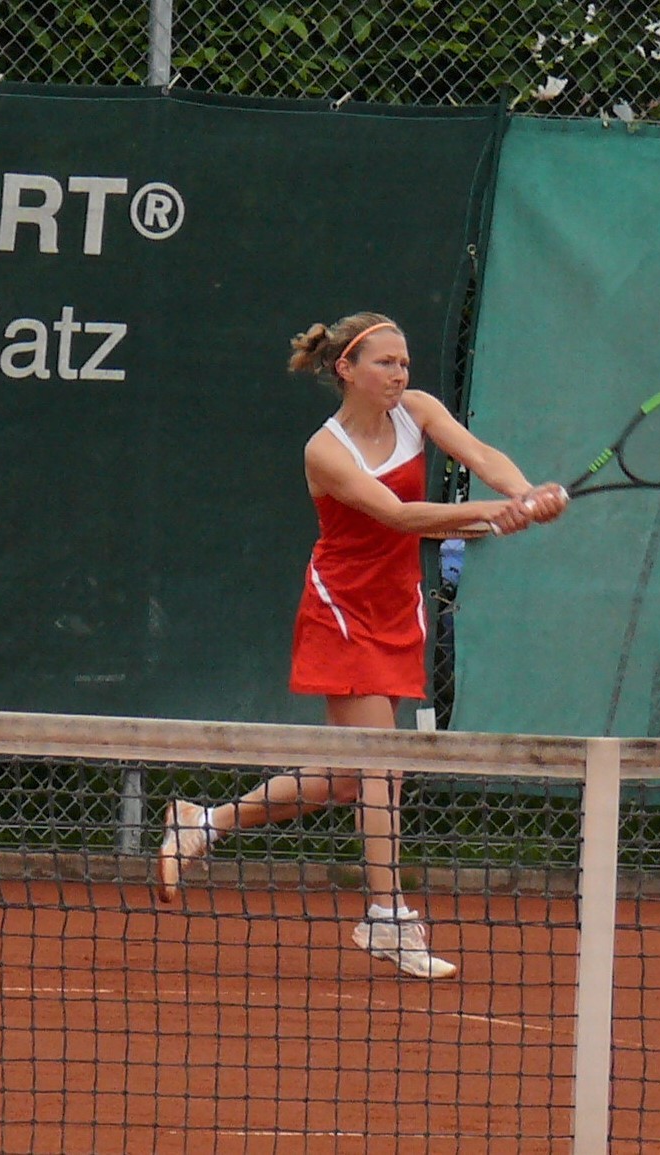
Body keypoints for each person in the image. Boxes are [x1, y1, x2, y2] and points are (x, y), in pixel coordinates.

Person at [157, 311, 567, 979]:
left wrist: (523, 492)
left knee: (351, 776)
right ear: (346, 368)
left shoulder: (418, 410)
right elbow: (399, 515)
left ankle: (204, 822)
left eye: (403, 362)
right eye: (385, 362)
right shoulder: (325, 450)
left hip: (397, 604)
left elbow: (481, 455)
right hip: (341, 609)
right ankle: (387, 915)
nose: (399, 374)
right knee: (383, 765)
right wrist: (491, 514)